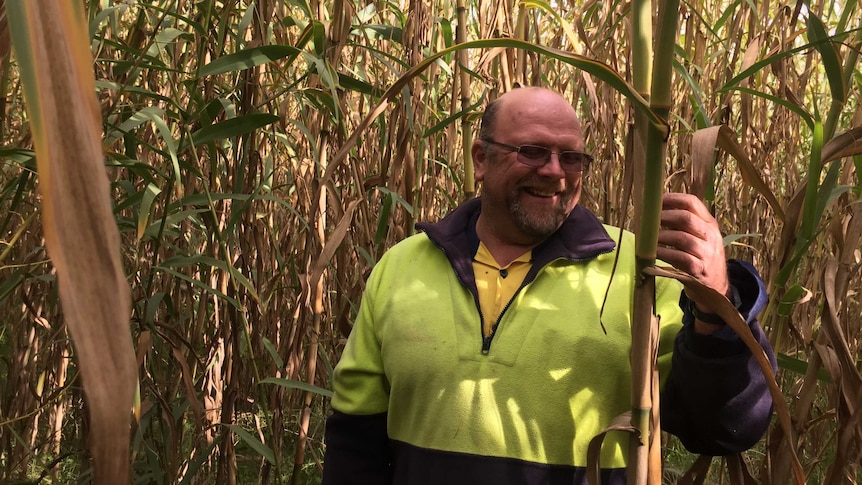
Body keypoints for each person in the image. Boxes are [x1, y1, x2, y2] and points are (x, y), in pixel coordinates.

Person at [322, 87, 776, 485]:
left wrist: (716, 304)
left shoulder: (638, 272)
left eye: (571, 157)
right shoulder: (402, 268)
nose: (555, 172)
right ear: (480, 159)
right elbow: (355, 442)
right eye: (533, 152)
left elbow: (727, 425)